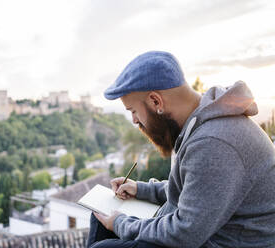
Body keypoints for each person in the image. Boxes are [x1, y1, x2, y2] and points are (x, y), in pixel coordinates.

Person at [86, 51, 275, 248]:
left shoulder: (213, 142)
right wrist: (142, 189)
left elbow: (184, 233)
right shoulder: (200, 123)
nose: (134, 121)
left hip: (216, 241)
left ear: (155, 101)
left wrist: (121, 224)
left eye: (133, 111)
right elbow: (195, 192)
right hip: (205, 232)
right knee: (100, 216)